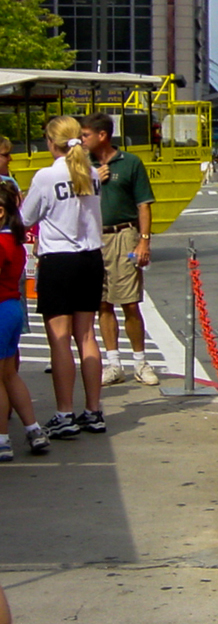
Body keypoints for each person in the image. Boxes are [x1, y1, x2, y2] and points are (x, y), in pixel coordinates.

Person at [20, 115, 106, 438]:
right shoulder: (92, 173)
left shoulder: (46, 176)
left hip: (59, 260)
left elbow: (27, 217)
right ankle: (94, 410)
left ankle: (64, 413)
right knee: (87, 335)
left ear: (51, 142)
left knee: (59, 338)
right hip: (91, 259)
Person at [80, 113, 159, 386]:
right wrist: (92, 181)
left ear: (102, 135)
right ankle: (114, 363)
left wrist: (144, 240)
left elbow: (144, 204)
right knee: (102, 302)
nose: (82, 140)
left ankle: (140, 362)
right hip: (92, 238)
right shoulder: (81, 164)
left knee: (129, 301)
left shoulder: (130, 163)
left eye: (86, 135)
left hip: (124, 234)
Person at [0, 181, 49, 459]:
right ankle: (33, 429)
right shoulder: (15, 241)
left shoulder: (0, 242)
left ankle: (3, 440)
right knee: (9, 375)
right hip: (11, 308)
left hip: (0, 309)